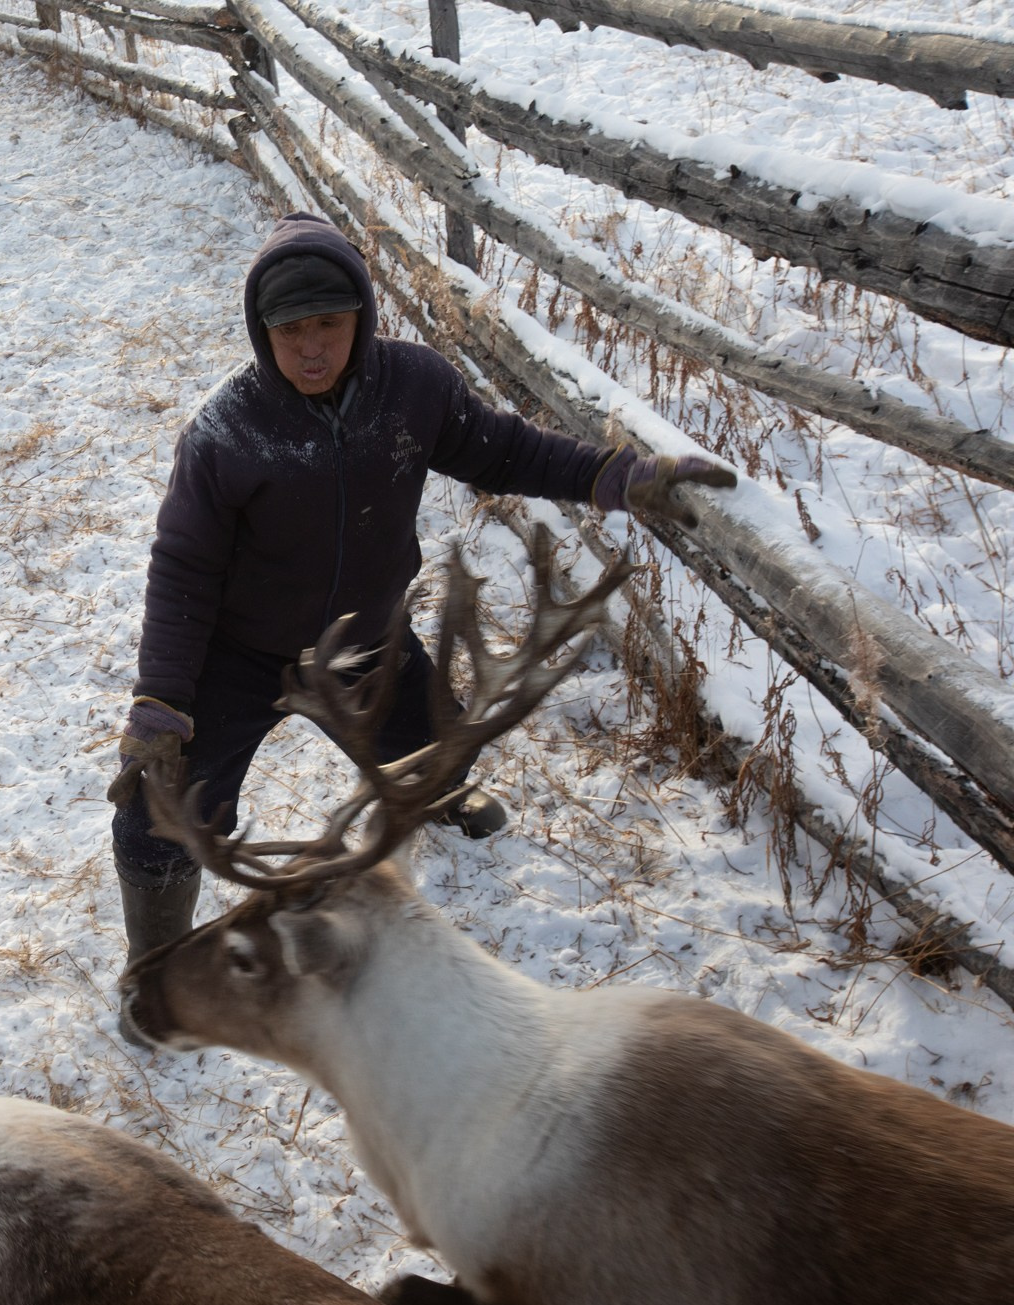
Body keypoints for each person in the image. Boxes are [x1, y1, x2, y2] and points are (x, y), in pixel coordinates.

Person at [107, 212, 735, 965]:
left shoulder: (413, 387)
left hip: (364, 640)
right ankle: (157, 963)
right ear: (260, 330)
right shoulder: (227, 433)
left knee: (441, 746)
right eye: (290, 330)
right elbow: (183, 564)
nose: (311, 348)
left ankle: (438, 794)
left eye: (330, 325)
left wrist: (610, 476)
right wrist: (162, 700)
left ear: (363, 317)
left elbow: (502, 450)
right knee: (160, 811)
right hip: (242, 653)